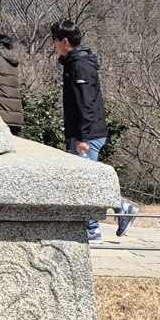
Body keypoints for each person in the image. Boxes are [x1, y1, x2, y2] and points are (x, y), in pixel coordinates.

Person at [52, 20, 136, 242]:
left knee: (86, 182)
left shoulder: (80, 65)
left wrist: (82, 137)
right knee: (86, 181)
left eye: (55, 40)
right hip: (82, 132)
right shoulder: (74, 63)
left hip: (86, 135)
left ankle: (104, 221)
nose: (53, 44)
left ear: (65, 41)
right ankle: (112, 214)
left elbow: (86, 103)